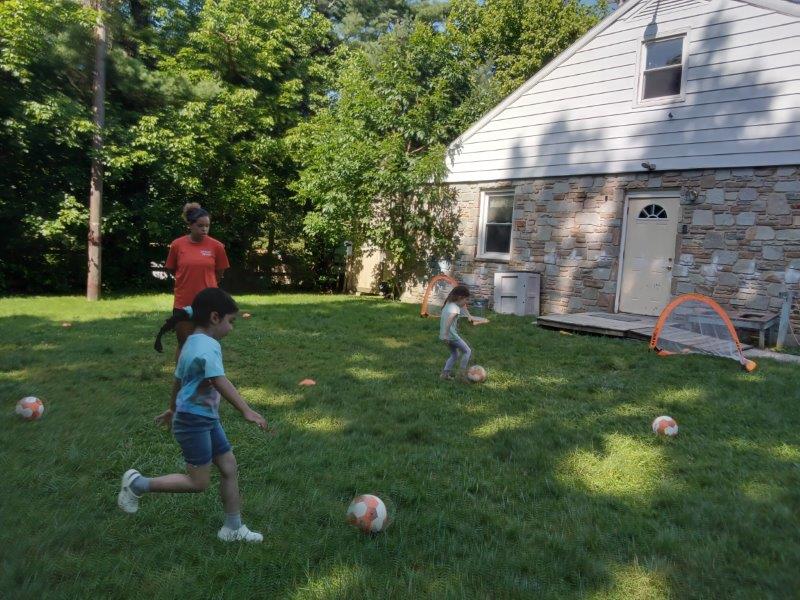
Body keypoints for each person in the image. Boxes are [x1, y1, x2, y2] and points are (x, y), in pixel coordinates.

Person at [119, 287, 268, 543]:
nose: (231, 328)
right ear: (214, 317)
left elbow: (178, 379)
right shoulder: (207, 347)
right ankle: (137, 484)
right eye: (230, 321)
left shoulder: (191, 342)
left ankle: (233, 528)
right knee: (198, 482)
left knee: (229, 466)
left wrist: (172, 408)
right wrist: (247, 410)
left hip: (202, 417)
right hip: (193, 421)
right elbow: (219, 380)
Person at [164, 203, 230, 357]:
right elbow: (173, 269)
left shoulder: (217, 246)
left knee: (208, 345)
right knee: (184, 344)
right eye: (200, 226)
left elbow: (219, 272)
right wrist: (186, 280)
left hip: (209, 304)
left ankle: (207, 372)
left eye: (207, 226)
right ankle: (181, 373)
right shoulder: (177, 245)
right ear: (190, 225)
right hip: (183, 302)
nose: (204, 229)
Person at [439, 285, 478, 380]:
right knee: (467, 351)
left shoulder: (448, 304)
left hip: (444, 336)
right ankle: (461, 374)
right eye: (466, 299)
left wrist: (469, 316)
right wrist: (446, 334)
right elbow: (449, 319)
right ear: (460, 298)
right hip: (451, 336)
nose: (466, 302)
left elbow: (463, 307)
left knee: (455, 354)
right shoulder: (455, 308)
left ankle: (445, 374)